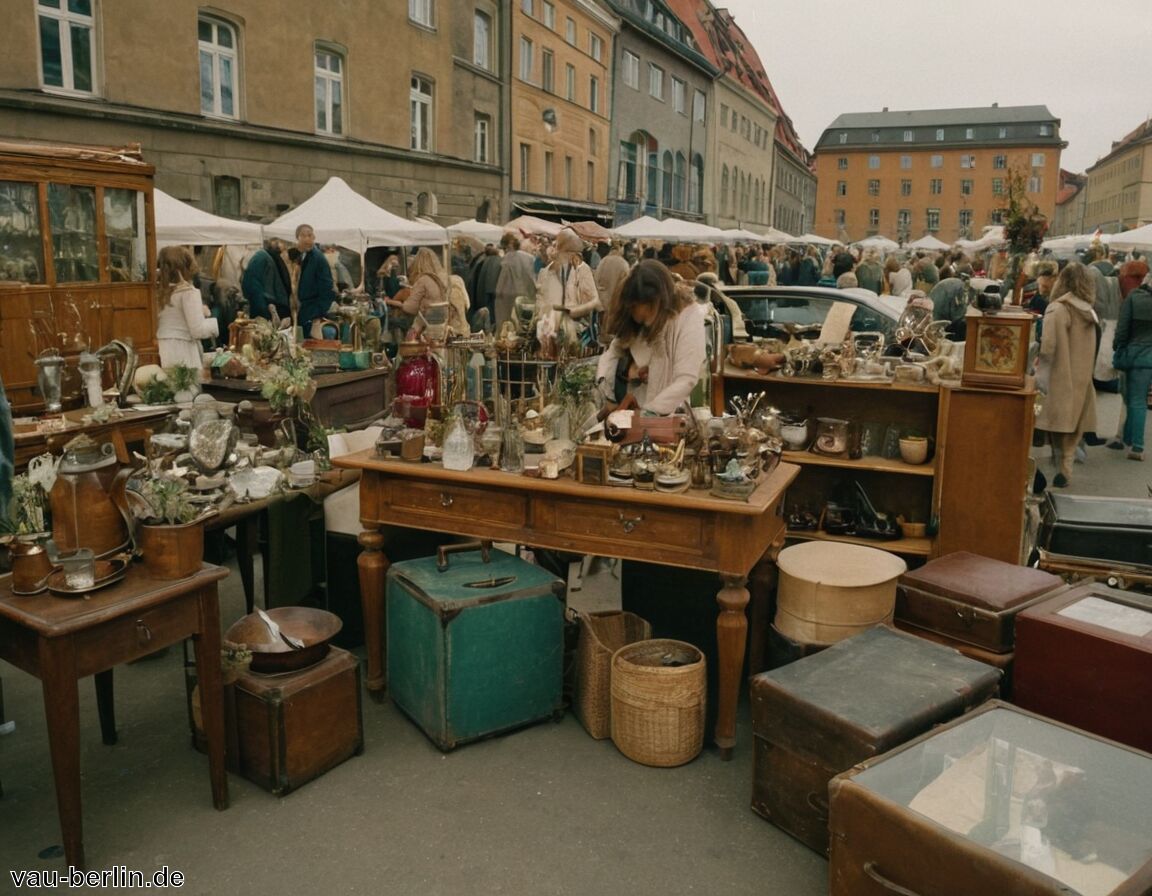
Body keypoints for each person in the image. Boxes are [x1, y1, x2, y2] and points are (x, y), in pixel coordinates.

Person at [595, 259, 706, 416]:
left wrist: (649, 412)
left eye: (637, 306)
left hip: (669, 414)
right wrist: (607, 391)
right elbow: (613, 352)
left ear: (656, 300)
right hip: (634, 408)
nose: (635, 313)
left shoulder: (688, 317)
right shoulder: (637, 317)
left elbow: (686, 378)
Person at [1034, 262, 1098, 488]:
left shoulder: (1057, 309)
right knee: (1072, 427)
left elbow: (1048, 347)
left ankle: (1054, 465)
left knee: (1053, 423)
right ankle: (1065, 467)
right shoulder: (1089, 312)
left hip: (1058, 377)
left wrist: (1039, 377)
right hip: (1081, 378)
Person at [534, 227, 599, 353]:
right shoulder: (546, 272)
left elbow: (592, 301)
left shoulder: (583, 270)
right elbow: (540, 299)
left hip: (575, 327)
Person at [154, 245, 219, 369]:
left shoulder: (157, 291)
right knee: (184, 381)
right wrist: (214, 323)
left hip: (162, 347)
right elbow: (198, 330)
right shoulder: (188, 292)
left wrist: (200, 311)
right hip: (182, 350)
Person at [1112, 272, 1152, 461]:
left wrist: (1117, 347)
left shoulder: (1134, 298)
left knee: (1134, 399)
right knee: (1136, 399)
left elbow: (1122, 329)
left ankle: (1137, 446)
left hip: (1135, 355)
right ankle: (1128, 438)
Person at [386, 247, 461, 334]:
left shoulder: (423, 280)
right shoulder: (442, 280)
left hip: (425, 326)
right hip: (443, 326)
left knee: (391, 322)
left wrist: (391, 302)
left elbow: (410, 308)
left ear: (418, 263)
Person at [293, 224, 337, 336]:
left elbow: (327, 288)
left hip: (312, 311)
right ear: (297, 238)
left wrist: (317, 314)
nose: (307, 239)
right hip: (301, 308)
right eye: (303, 236)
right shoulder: (300, 255)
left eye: (310, 235)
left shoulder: (318, 258)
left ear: (314, 237)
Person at [240, 238, 291, 321]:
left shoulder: (264, 256)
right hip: (262, 303)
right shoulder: (266, 259)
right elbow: (267, 286)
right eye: (285, 250)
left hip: (259, 300)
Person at [494, 234, 537, 330]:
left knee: (508, 326)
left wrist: (498, 293)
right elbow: (534, 277)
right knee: (525, 325)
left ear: (508, 247)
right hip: (528, 296)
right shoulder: (530, 258)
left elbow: (501, 281)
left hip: (508, 297)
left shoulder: (507, 259)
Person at [593, 240, 631, 324]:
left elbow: (595, 282)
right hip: (616, 307)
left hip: (601, 306)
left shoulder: (602, 261)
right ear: (621, 247)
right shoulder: (623, 264)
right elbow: (627, 288)